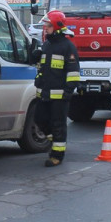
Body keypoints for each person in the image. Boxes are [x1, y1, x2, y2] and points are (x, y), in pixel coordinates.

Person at [32, 10, 80, 167]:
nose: (45, 28)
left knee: (58, 125)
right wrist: (38, 79)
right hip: (44, 94)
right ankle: (55, 142)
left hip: (60, 96)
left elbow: (73, 73)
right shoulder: (46, 45)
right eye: (45, 25)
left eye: (48, 25)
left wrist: (68, 92)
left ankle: (57, 155)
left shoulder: (68, 47)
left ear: (57, 27)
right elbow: (42, 68)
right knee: (39, 119)